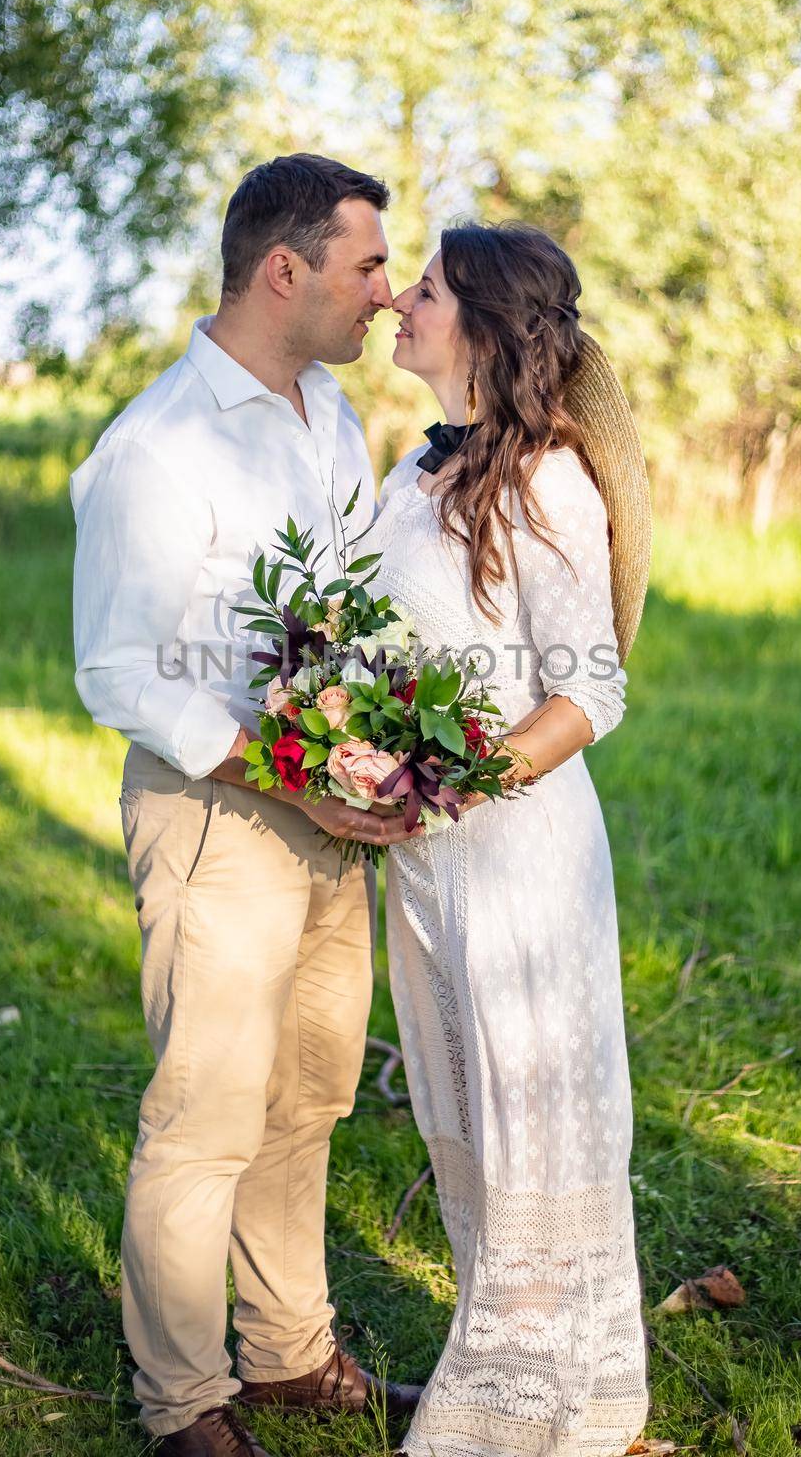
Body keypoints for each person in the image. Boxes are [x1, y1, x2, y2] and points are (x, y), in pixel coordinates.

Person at [69, 154, 421, 1456]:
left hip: (323, 810)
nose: (384, 296)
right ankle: (183, 1406)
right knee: (204, 1120)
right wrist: (296, 781)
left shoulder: (327, 415)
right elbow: (118, 670)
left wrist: (379, 753)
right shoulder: (155, 448)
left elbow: (347, 611)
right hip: (217, 816)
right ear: (284, 271)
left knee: (309, 1098)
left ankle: (282, 1355)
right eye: (367, 266)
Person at [369, 221, 653, 1457]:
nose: (397, 302)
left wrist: (446, 780)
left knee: (534, 1128)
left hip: (519, 855)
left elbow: (590, 691)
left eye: (421, 289)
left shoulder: (546, 479)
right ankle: (567, 1389)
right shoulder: (409, 472)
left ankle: (512, 1416)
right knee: (464, 1121)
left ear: (479, 324)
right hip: (422, 856)